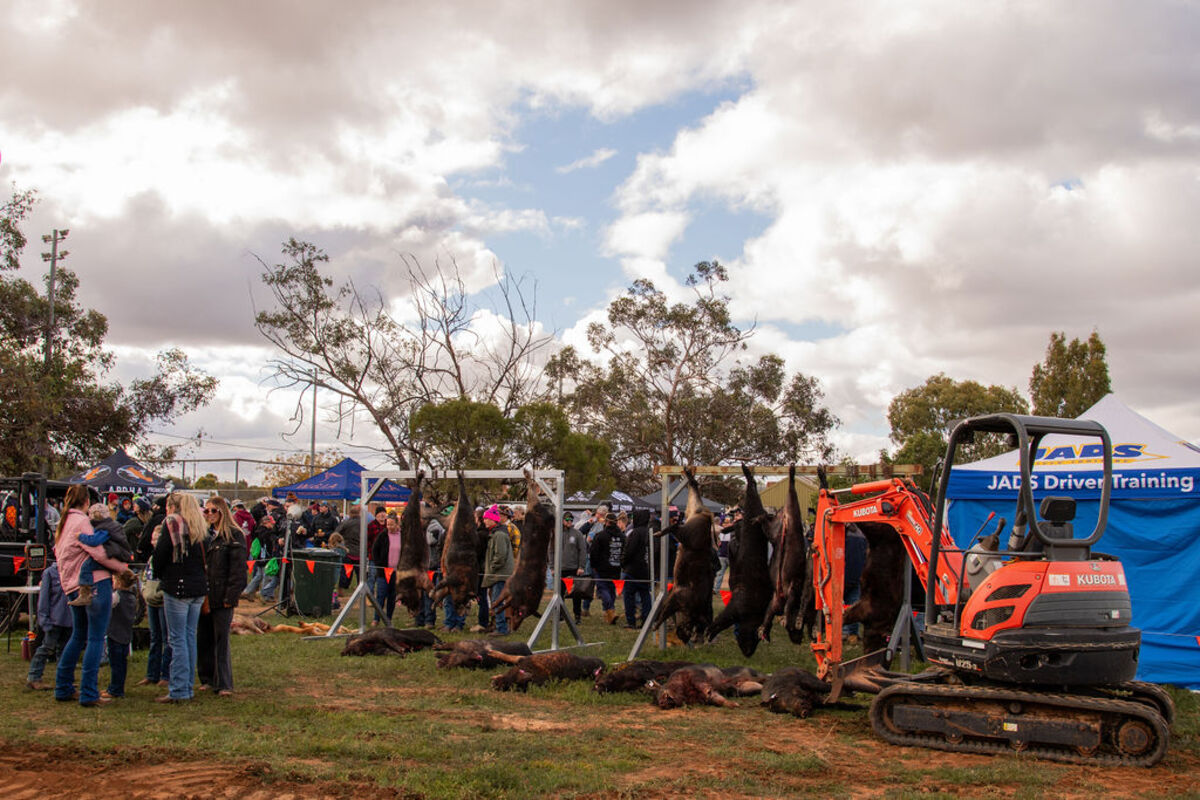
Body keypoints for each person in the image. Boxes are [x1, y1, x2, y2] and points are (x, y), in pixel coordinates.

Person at [54, 484, 133, 707]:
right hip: (94, 584)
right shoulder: (81, 522)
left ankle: (63, 686)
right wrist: (122, 567)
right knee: (96, 638)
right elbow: (98, 552)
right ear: (87, 502)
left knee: (78, 636)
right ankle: (89, 692)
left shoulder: (64, 524)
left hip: (72, 584)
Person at [151, 491, 208, 703]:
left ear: (173, 506)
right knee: (188, 636)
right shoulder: (200, 527)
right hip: (198, 587)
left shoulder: (173, 524)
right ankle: (187, 685)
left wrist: (159, 573)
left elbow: (161, 554)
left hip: (178, 586)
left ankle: (179, 689)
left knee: (177, 639)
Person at [197, 497, 247, 697]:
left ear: (222, 512)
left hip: (223, 594)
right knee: (204, 637)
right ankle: (207, 678)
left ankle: (224, 683)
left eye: (213, 511)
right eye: (206, 511)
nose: (209, 514)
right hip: (205, 593)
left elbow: (239, 571)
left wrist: (231, 596)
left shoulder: (234, 535)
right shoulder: (205, 536)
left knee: (221, 640)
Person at [68, 504, 134, 607]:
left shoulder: (104, 528)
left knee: (86, 567)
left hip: (113, 553)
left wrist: (80, 536)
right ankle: (128, 576)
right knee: (116, 569)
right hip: (119, 552)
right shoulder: (112, 525)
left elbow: (95, 541)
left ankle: (85, 593)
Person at [26, 561, 71, 691]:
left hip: (69, 620)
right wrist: (44, 620)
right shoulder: (50, 573)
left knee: (64, 651)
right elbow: (44, 598)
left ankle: (63, 680)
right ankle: (34, 677)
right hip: (54, 620)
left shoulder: (73, 572)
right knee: (45, 648)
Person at [103, 569, 138, 699]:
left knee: (115, 664)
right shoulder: (132, 596)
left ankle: (115, 689)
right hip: (126, 634)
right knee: (122, 663)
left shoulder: (116, 596)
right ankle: (118, 687)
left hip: (115, 633)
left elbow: (107, 606)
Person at [480, 505, 513, 634]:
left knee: (497, 601)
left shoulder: (499, 535)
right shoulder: (496, 533)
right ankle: (500, 626)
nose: (484, 521)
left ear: (493, 519)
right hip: (498, 573)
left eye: (486, 518)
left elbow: (500, 555)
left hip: (500, 574)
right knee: (496, 600)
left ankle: (501, 628)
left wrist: (492, 568)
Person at [589, 511, 625, 625]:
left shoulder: (600, 536)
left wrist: (593, 566)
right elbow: (625, 552)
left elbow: (593, 552)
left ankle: (610, 610)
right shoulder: (623, 537)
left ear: (607, 522)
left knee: (604, 589)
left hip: (602, 568)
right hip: (616, 568)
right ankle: (608, 614)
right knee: (611, 590)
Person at [621, 508, 652, 629]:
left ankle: (631, 621)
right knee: (645, 596)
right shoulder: (649, 532)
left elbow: (629, 551)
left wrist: (623, 563)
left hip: (633, 570)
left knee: (629, 595)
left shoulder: (635, 533)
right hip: (646, 570)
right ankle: (647, 621)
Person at [370, 512, 402, 624]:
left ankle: (388, 618)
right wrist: (379, 564)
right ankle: (376, 618)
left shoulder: (402, 536)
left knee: (392, 596)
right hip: (383, 571)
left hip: (396, 572)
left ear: (397, 525)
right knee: (380, 595)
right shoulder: (382, 535)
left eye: (392, 524)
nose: (389, 527)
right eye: (388, 524)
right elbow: (374, 550)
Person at [558, 512, 587, 624]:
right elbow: (551, 550)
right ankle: (560, 615)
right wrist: (552, 566)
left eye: (571, 520)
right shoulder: (557, 533)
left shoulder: (577, 534)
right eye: (567, 519)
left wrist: (581, 566)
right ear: (562, 520)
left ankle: (577, 616)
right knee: (559, 594)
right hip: (560, 569)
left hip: (574, 569)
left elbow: (583, 551)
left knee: (576, 595)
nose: (569, 521)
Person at [332, 503, 362, 591]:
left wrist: (339, 542)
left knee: (345, 571)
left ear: (350, 513)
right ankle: (360, 586)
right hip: (360, 550)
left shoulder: (346, 523)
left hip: (347, 549)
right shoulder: (364, 524)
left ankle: (342, 587)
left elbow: (336, 533)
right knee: (359, 572)